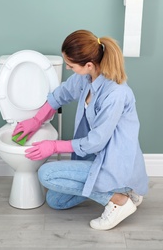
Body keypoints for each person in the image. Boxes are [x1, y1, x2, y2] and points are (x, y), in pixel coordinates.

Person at [12, 30, 148, 230]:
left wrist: (54, 146)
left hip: (112, 163)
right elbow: (60, 95)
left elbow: (96, 141)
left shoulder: (116, 94)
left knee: (46, 175)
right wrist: (35, 120)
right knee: (56, 201)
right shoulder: (86, 78)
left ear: (89, 65)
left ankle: (119, 198)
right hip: (93, 158)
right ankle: (121, 192)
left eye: (70, 65)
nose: (68, 68)